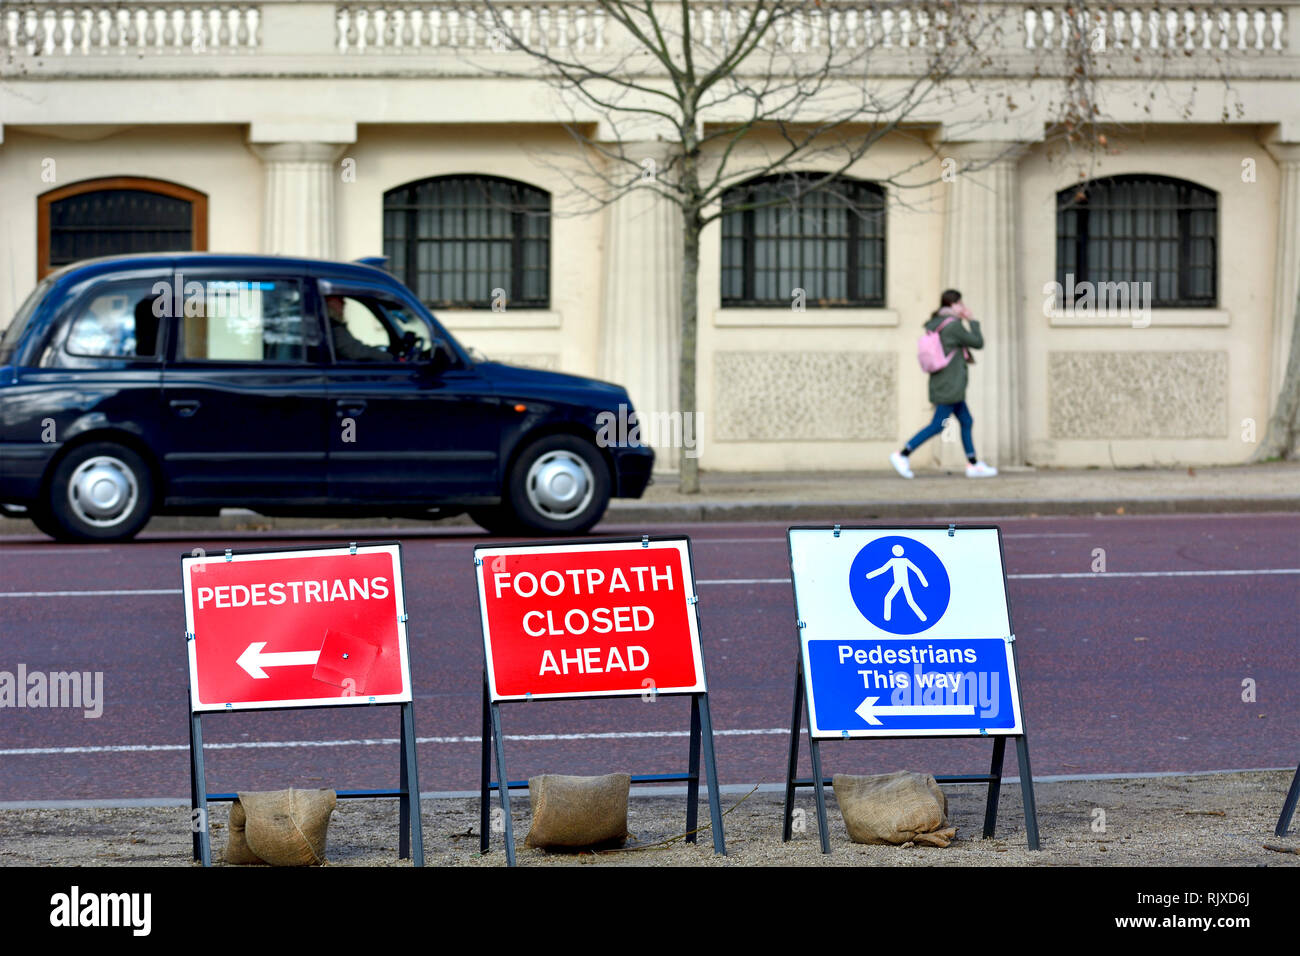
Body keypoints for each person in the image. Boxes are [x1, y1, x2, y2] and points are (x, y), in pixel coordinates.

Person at [890, 289, 998, 479]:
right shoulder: (953, 326)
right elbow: (978, 342)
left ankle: (973, 464)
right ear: (953, 305)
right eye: (960, 304)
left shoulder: (936, 323)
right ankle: (902, 454)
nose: (963, 308)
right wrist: (971, 320)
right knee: (938, 425)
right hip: (950, 385)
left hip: (945, 383)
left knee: (966, 420)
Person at [325, 295, 393, 362]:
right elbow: (356, 351)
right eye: (340, 300)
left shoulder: (329, 327)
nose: (344, 303)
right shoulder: (333, 328)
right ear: (329, 303)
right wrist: (389, 358)